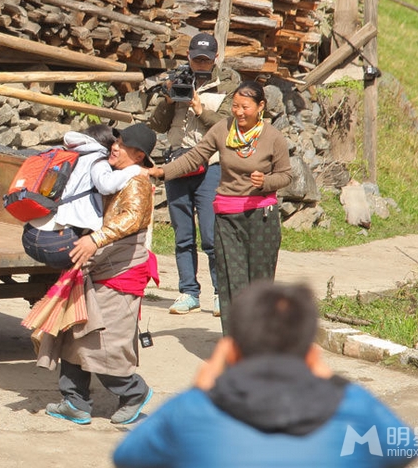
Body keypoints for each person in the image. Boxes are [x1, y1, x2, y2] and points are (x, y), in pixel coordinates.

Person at [113, 280, 418, 467]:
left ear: (230, 352)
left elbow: (127, 456)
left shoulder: (192, 411)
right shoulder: (353, 407)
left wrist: (199, 390)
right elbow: (406, 447)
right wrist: (334, 382)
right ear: (312, 355)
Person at [149, 81, 292, 335]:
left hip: (261, 219)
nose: (238, 112)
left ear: (260, 107)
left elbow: (285, 175)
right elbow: (195, 157)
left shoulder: (273, 137)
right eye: (235, 106)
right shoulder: (221, 129)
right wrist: (163, 172)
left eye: (245, 107)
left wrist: (266, 182)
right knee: (231, 283)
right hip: (227, 218)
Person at [42, 124, 158, 426]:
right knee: (74, 332)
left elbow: (131, 218)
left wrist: (95, 239)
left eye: (122, 145)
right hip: (97, 266)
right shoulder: (112, 174)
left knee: (103, 344)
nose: (115, 147)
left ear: (139, 155)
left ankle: (134, 392)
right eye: (115, 141)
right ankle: (74, 401)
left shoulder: (137, 182)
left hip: (119, 271)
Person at [149, 33, 241, 317]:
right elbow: (157, 125)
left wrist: (199, 109)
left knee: (212, 236)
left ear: (215, 58)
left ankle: (219, 293)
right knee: (183, 235)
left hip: (210, 165)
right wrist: (167, 98)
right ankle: (188, 292)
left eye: (205, 59)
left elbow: (230, 124)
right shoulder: (177, 77)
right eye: (195, 58)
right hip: (178, 163)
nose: (200, 63)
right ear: (187, 56)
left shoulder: (229, 82)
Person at [22, 124, 146, 269]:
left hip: (29, 235)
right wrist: (136, 169)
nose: (115, 147)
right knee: (103, 252)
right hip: (57, 243)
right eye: (115, 142)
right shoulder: (98, 160)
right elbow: (106, 185)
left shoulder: (68, 152)